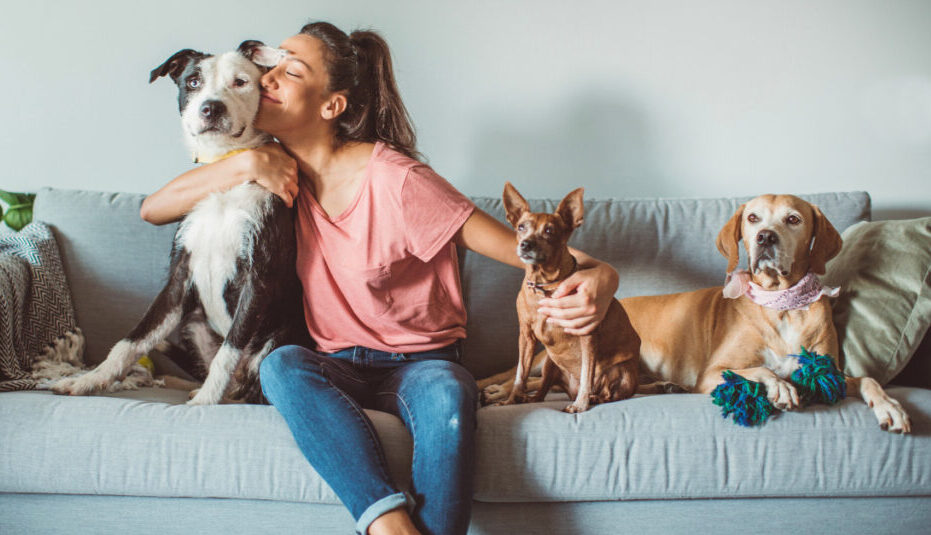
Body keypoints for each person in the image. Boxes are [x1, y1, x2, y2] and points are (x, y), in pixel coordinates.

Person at [141, 21, 619, 535]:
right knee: (282, 367)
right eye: (271, 67)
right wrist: (250, 161)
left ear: (331, 106)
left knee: (449, 398)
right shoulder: (273, 172)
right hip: (334, 364)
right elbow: (154, 209)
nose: (269, 77)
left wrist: (606, 278)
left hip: (421, 364)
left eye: (291, 70)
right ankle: (389, 525)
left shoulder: (399, 181)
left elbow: (533, 253)